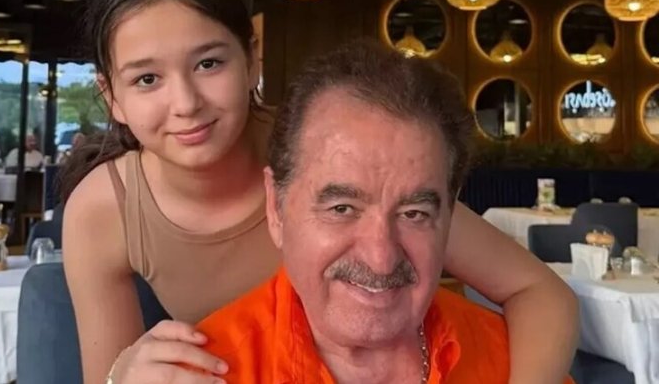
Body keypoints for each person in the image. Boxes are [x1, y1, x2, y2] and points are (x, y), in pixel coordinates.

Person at [60, 0, 578, 384]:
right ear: (112, 96)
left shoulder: (329, 152)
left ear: (253, 59)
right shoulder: (103, 211)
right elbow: (109, 372)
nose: (185, 103)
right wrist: (119, 375)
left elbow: (538, 292)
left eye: (209, 62)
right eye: (147, 79)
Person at [192, 40, 575, 384]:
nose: (380, 259)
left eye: (413, 214)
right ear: (276, 207)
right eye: (342, 208)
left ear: (448, 216)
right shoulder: (207, 371)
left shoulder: (513, 362)